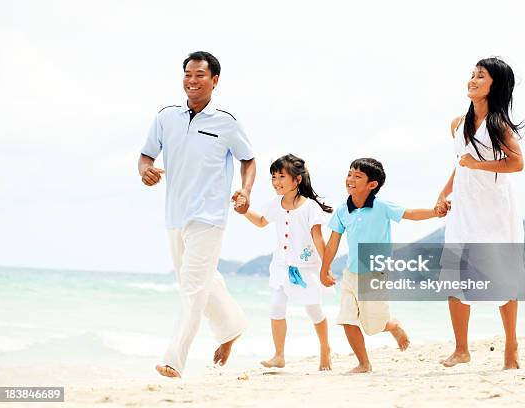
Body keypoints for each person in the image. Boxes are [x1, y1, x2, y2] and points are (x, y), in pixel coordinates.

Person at [138, 51, 256, 378]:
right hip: (175, 215)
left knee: (191, 288)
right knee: (201, 281)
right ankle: (232, 325)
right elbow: (146, 154)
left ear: (214, 80)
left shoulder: (227, 122)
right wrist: (145, 170)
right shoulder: (165, 117)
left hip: (210, 216)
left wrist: (245, 191)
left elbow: (248, 159)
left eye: (200, 75)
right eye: (188, 74)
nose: (192, 80)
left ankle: (174, 359)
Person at [435, 57, 525, 370]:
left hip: (494, 210)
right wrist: (444, 192)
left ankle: (511, 345)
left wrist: (479, 165)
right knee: (454, 274)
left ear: (494, 85)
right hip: (464, 208)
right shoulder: (457, 123)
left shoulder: (498, 125)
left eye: (481, 76)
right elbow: (460, 162)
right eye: (472, 75)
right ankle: (461, 349)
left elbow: (516, 163)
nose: (472, 80)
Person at [320, 158, 443, 373]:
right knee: (347, 320)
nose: (350, 179)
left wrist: (435, 212)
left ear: (372, 185)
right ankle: (364, 363)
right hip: (350, 273)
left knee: (373, 326)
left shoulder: (382, 207)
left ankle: (392, 325)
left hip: (376, 273)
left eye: (357, 176)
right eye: (349, 174)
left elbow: (411, 214)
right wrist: (324, 269)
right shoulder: (342, 211)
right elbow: (333, 243)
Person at [238, 154, 334, 370]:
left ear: (297, 180)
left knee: (314, 310)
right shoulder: (274, 204)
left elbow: (318, 239)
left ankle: (325, 349)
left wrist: (325, 269)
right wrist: (244, 212)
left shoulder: (310, 208)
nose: (276, 182)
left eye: (281, 176)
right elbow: (262, 222)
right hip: (281, 266)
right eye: (273, 177)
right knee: (276, 306)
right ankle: (279, 355)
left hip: (306, 268)